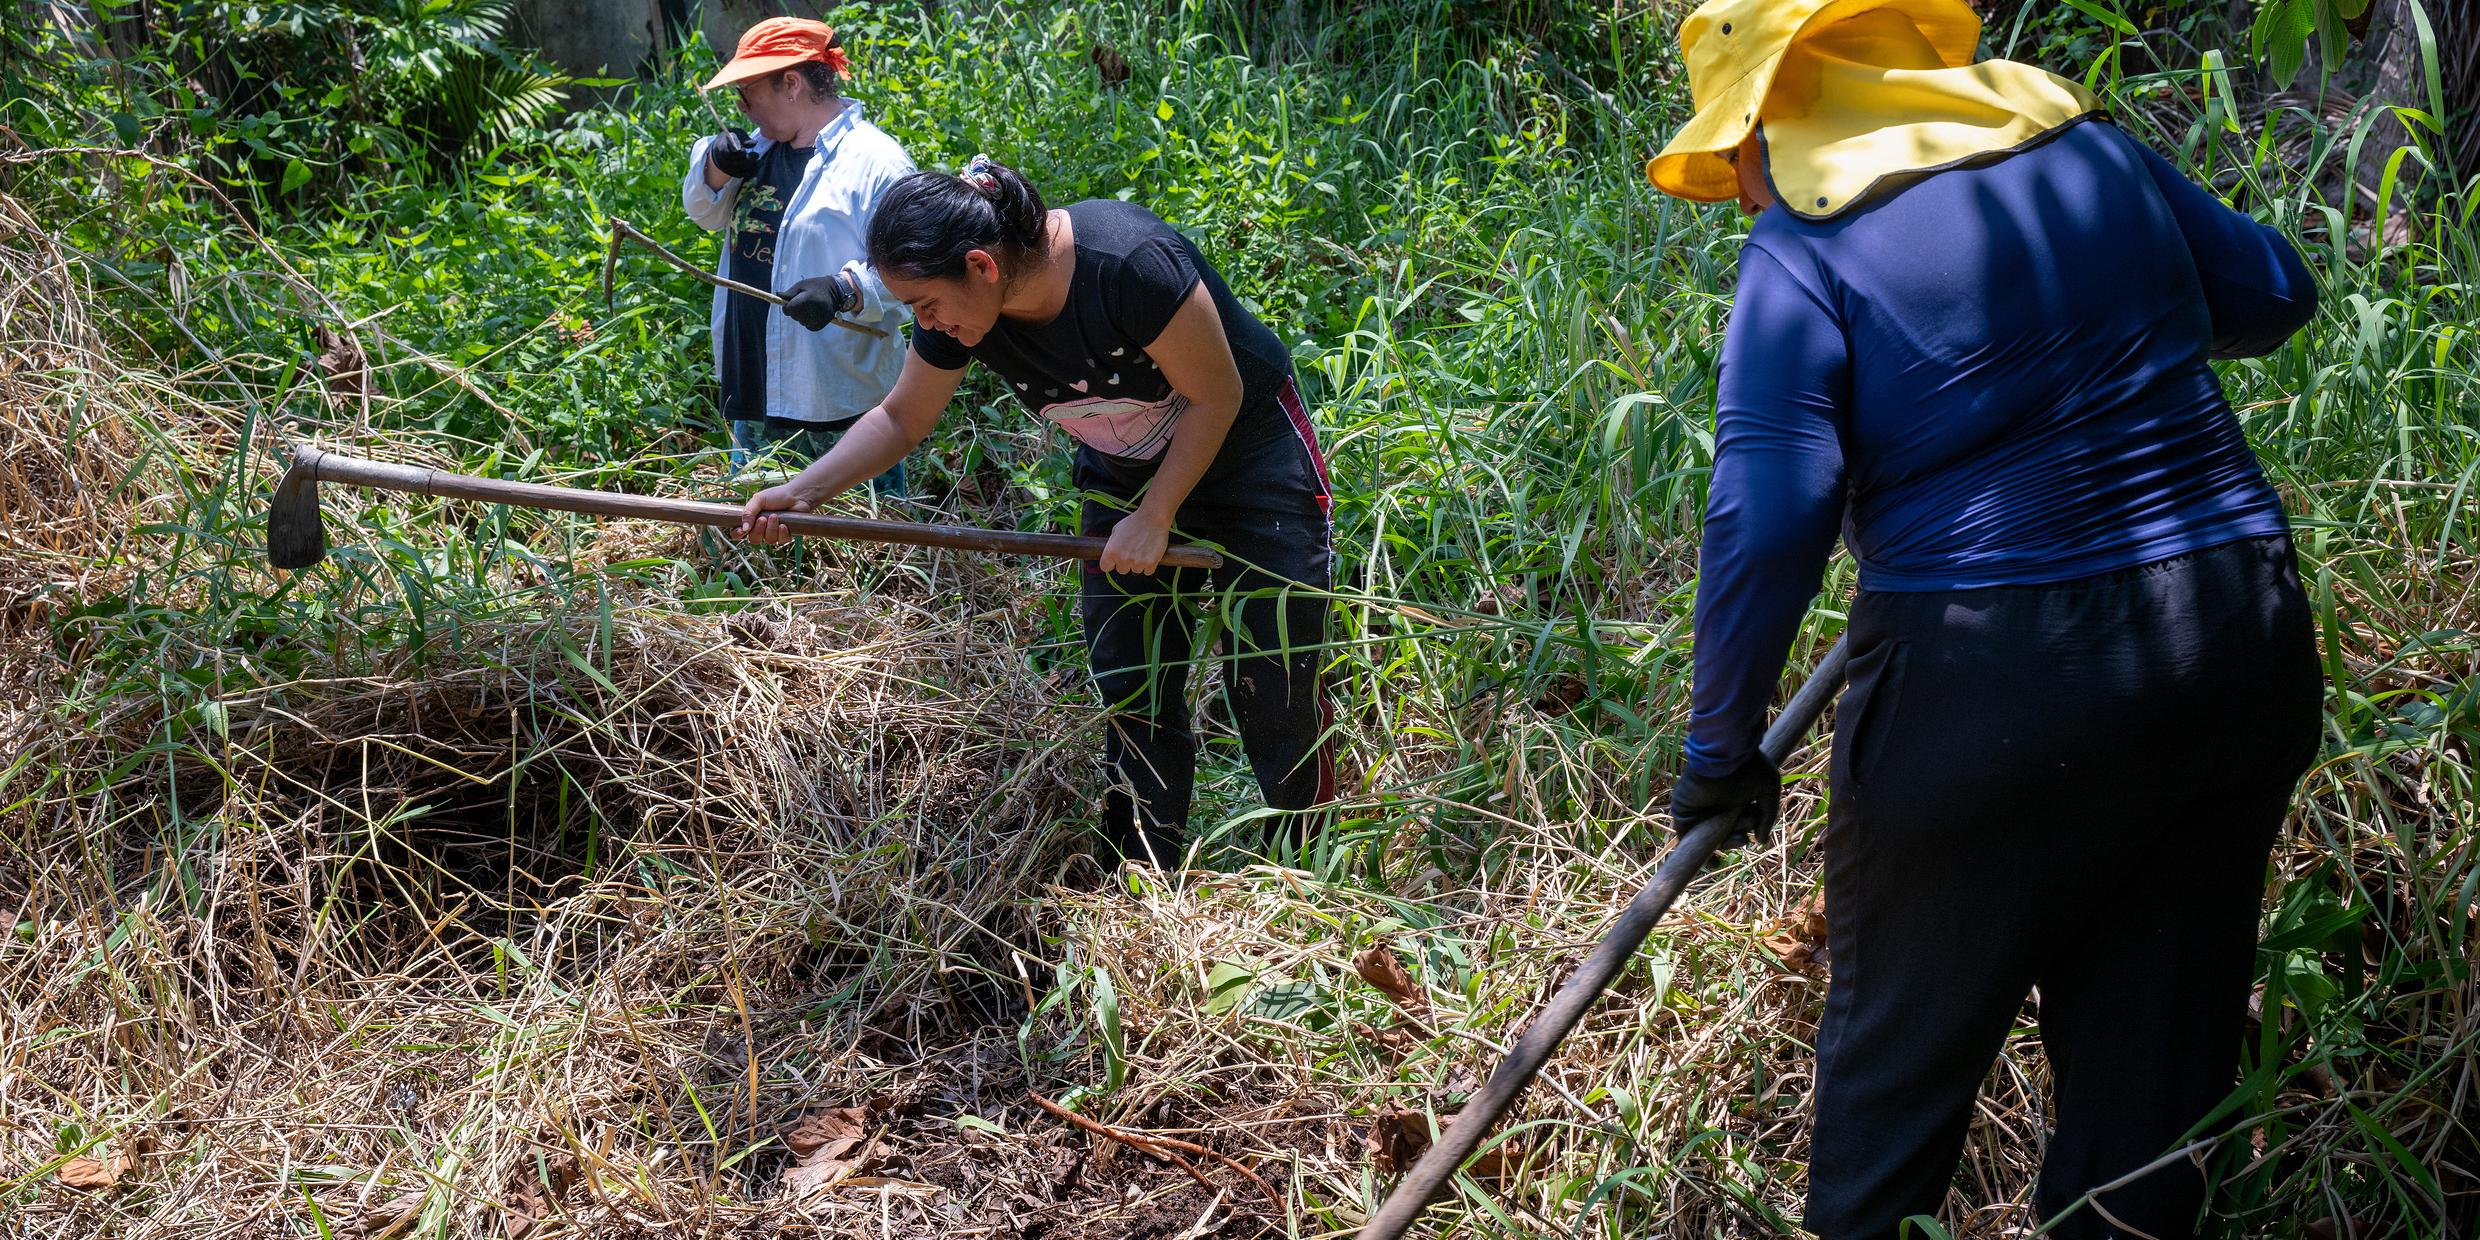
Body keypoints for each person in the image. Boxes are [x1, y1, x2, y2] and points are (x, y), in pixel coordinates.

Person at [1645, 1, 2322, 1237]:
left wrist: (1716, 752)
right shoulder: (2090, 152)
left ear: (1774, 122)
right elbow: (2274, 291)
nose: (1736, 188)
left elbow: (1768, 515)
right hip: (2233, 639)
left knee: (1895, 1087)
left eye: (1734, 150)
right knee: (2148, 1093)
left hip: (1987, 688)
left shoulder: (1803, 250)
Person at [735, 157, 1339, 863]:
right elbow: (902, 418)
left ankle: (1307, 871)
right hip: (1124, 474)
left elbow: (1217, 395)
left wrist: (1155, 516)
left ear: (981, 266)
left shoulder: (1129, 264)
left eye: (926, 304)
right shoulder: (963, 312)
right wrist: (803, 490)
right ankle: (1141, 875)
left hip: (1250, 457)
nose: (925, 323)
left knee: (1277, 679)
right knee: (1133, 683)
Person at [682, 16, 911, 492]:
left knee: (862, 532)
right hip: (753, 389)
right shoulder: (757, 152)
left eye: (747, 93)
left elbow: (916, 270)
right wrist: (715, 164)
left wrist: (845, 290)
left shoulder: (876, 163)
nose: (742, 108)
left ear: (790, 84)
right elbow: (703, 211)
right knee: (760, 527)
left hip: (838, 403)